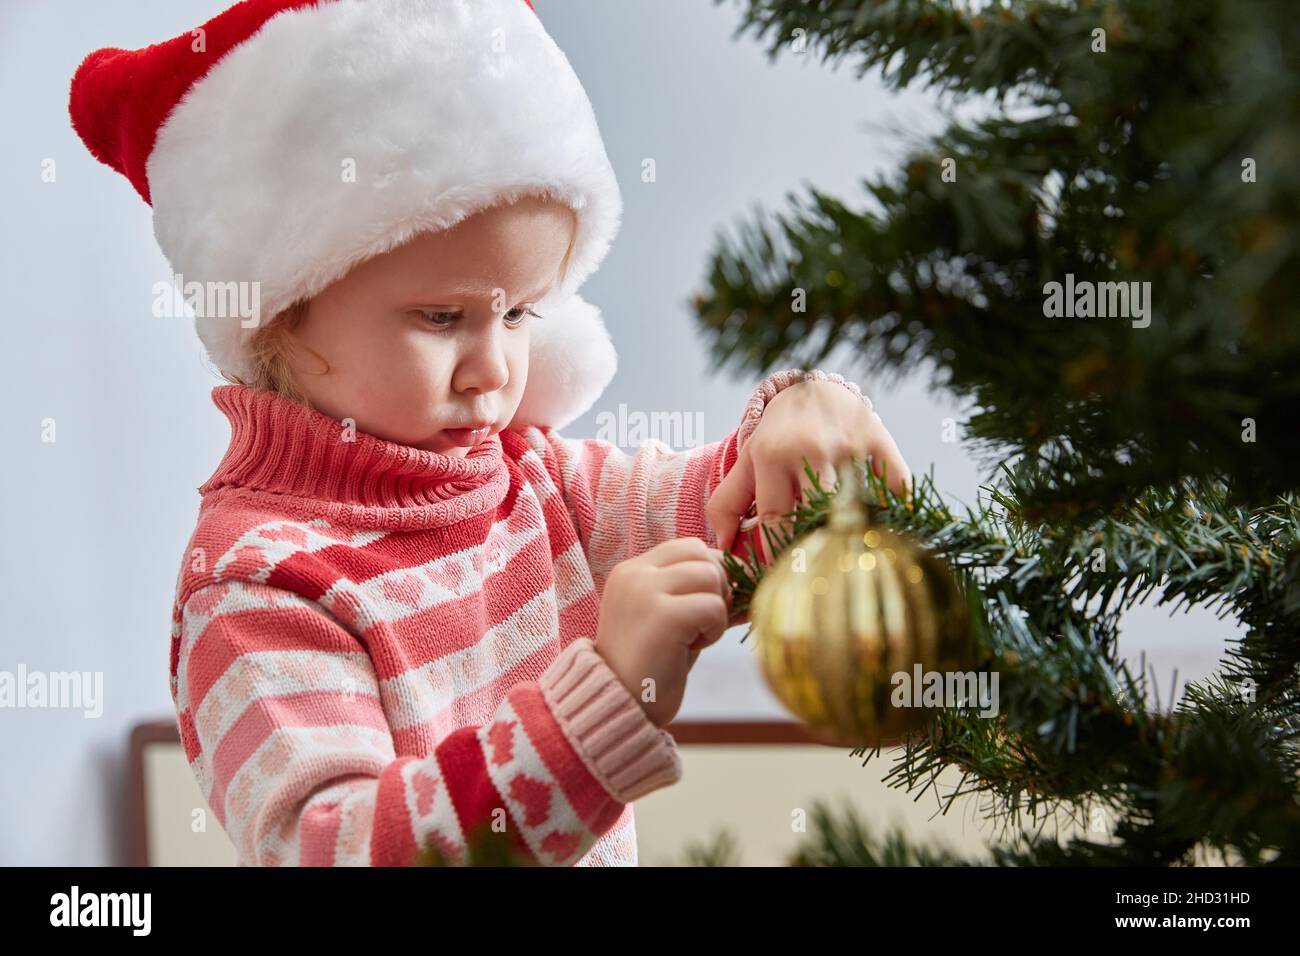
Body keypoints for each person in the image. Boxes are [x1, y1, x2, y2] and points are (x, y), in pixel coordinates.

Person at [69, 0, 911, 866]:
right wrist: (604, 705)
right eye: (442, 316)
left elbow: (736, 515)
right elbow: (341, 851)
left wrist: (805, 416)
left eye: (519, 312)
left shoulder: (532, 481)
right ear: (280, 311)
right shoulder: (257, 584)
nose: (494, 371)